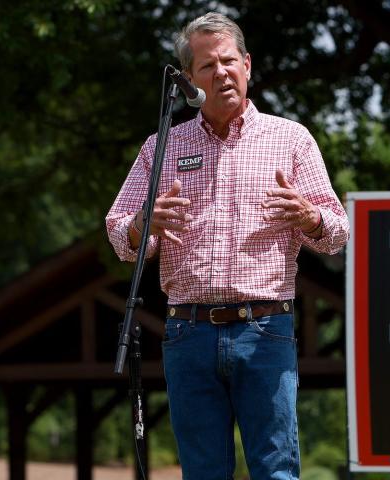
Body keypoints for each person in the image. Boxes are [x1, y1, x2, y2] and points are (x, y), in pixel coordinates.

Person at [105, 11, 348, 480]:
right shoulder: (162, 147)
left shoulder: (291, 140)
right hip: (186, 332)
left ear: (248, 65)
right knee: (202, 473)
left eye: (229, 61)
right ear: (189, 81)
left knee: (276, 471)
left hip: (266, 328)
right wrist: (142, 224)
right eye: (207, 66)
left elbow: (338, 230)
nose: (221, 73)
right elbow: (119, 233)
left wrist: (310, 216)